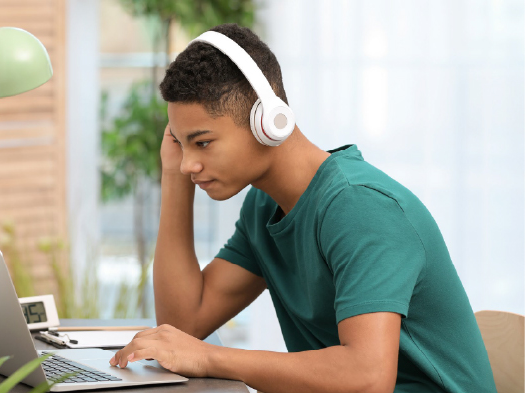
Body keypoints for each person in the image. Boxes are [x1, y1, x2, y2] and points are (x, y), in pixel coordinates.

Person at [109, 23, 497, 393]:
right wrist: (174, 178)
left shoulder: (360, 207)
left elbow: (367, 378)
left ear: (268, 121)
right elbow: (183, 324)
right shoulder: (264, 207)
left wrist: (210, 357)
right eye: (180, 142)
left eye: (203, 142)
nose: (188, 162)